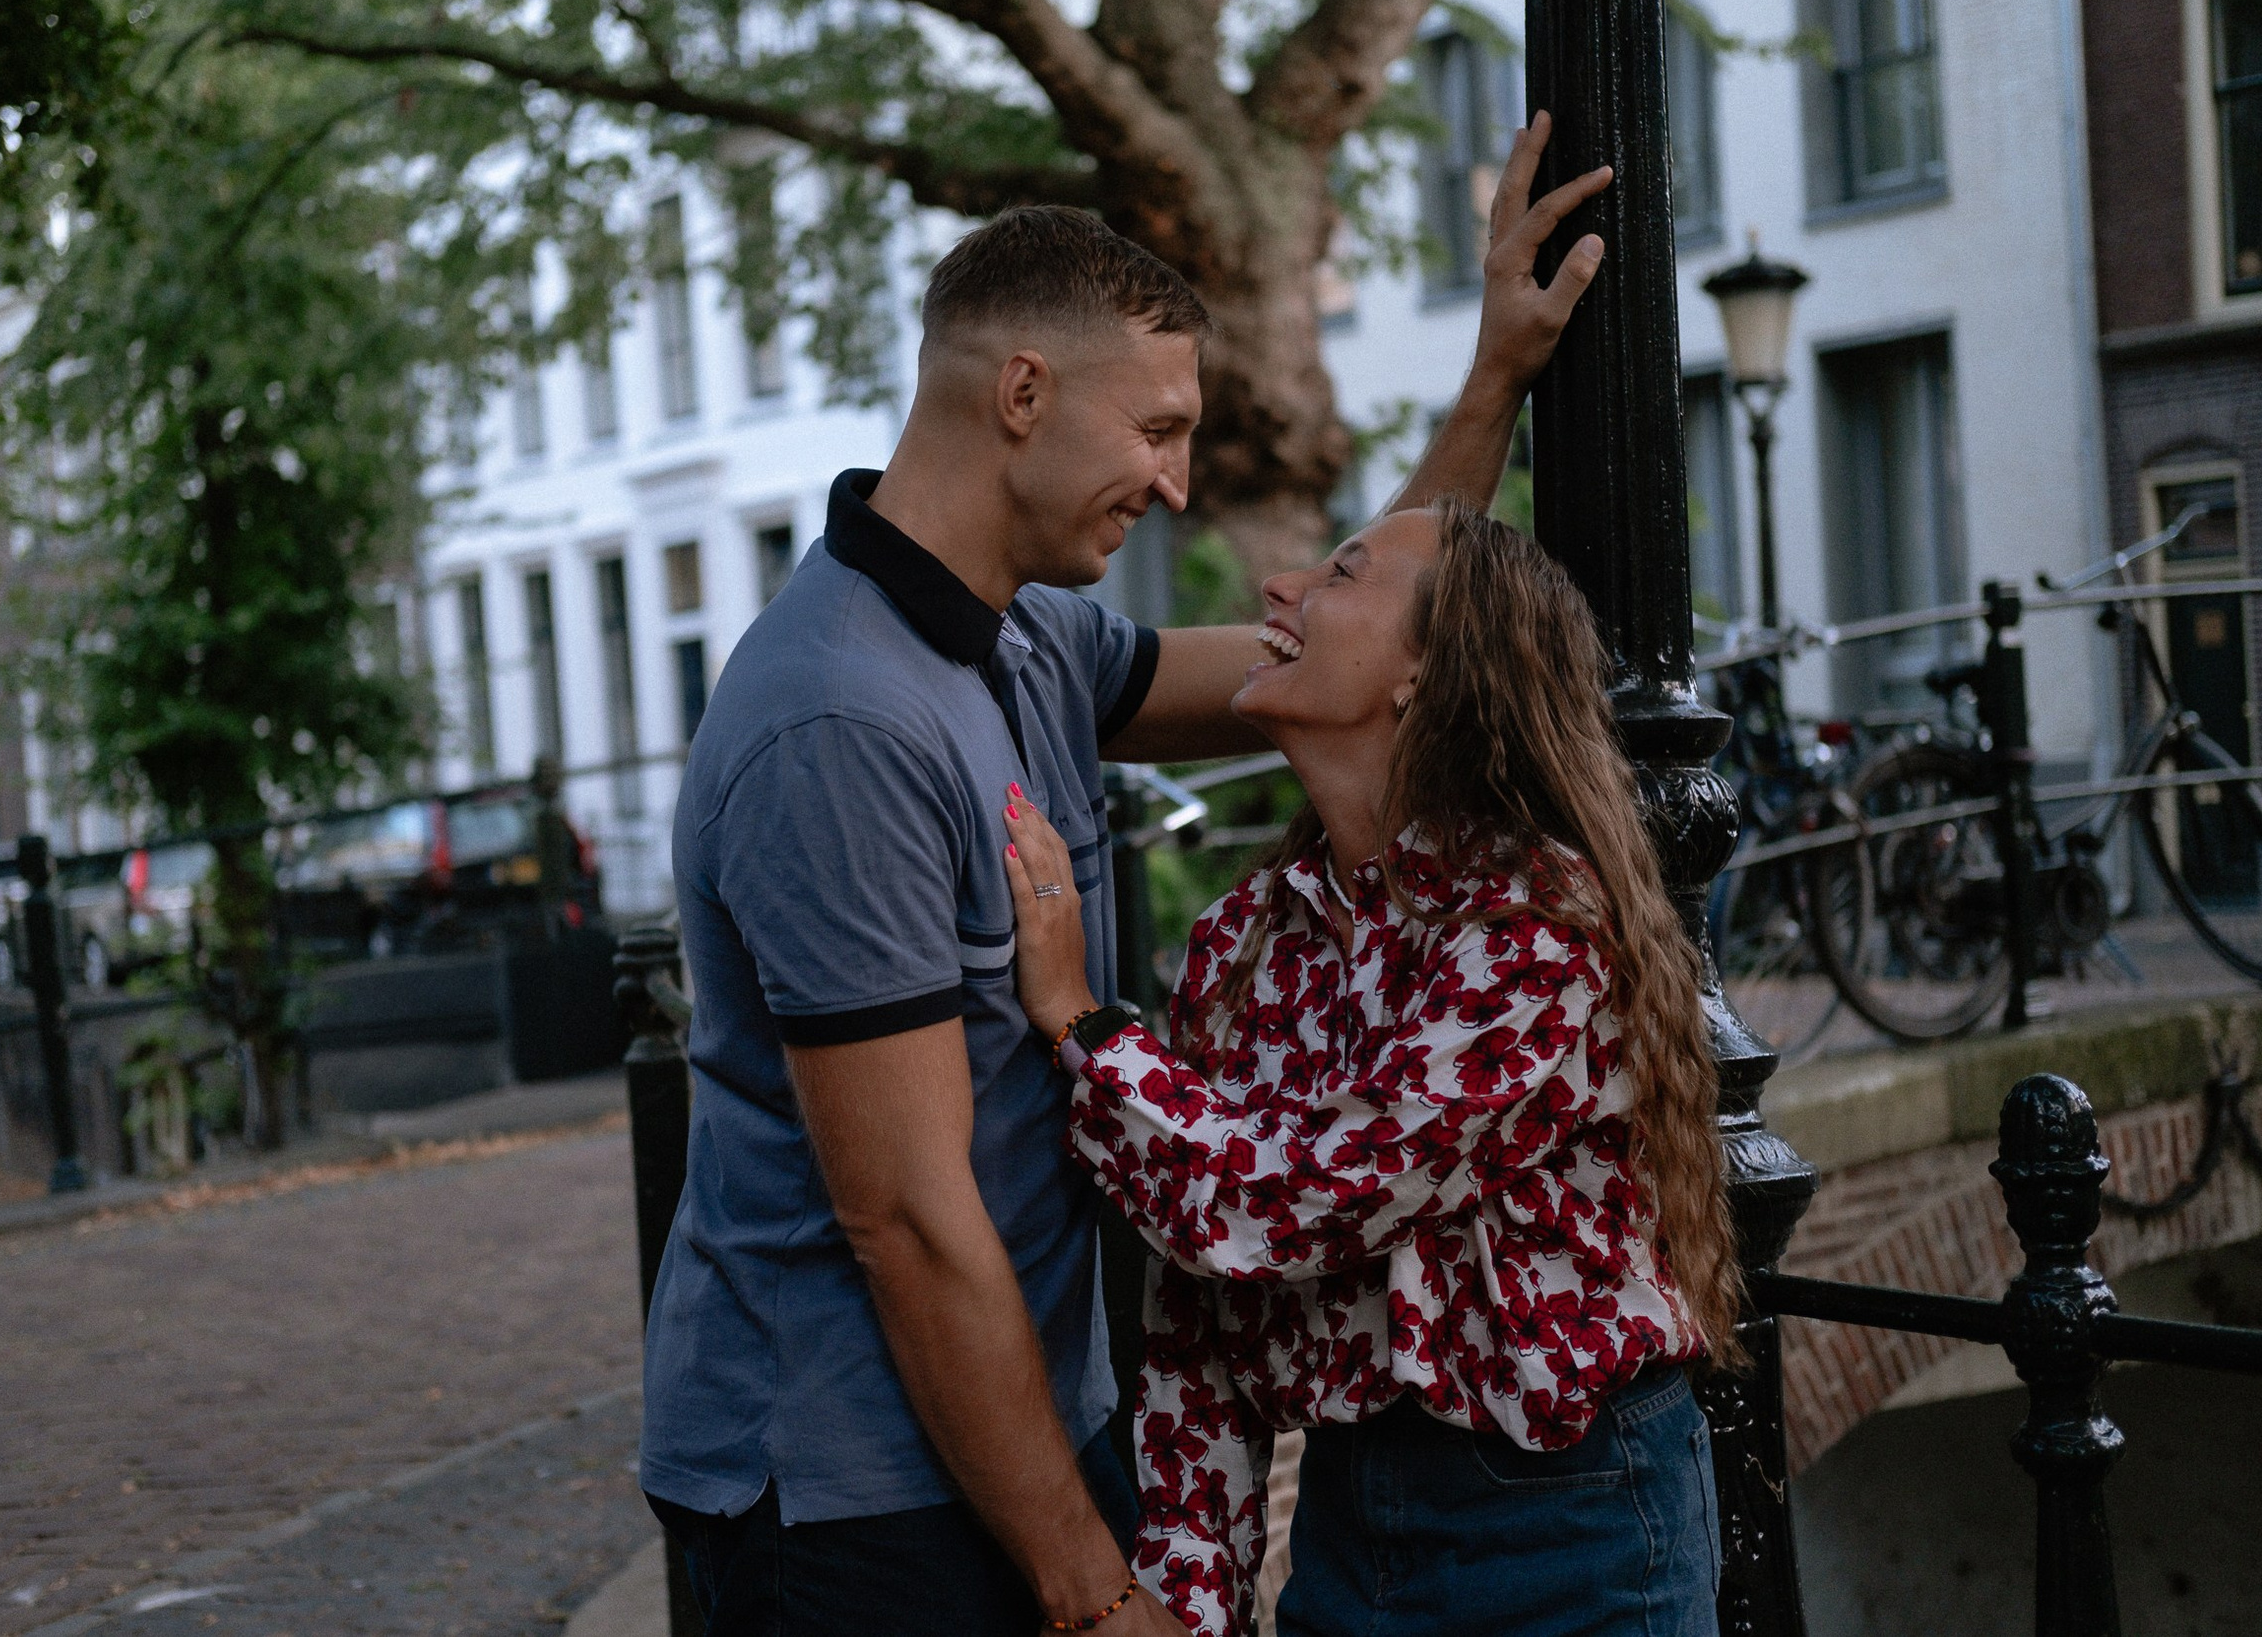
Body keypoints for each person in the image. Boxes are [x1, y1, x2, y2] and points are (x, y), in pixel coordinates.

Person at [640, 114, 1615, 1636]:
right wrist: (1093, 1594)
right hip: (854, 1494)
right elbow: (902, 1216)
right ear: (1022, 393)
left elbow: (1368, 646)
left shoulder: (1030, 635)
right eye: (1155, 430)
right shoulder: (842, 721)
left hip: (1025, 1420)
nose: (1174, 485)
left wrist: (1493, 376)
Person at [1000, 503, 1738, 1637]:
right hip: (1354, 1519)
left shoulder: (1534, 926)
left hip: (1574, 1527)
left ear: (1423, 670)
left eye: (1340, 572)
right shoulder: (1245, 940)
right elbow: (1200, 1317)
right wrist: (1193, 1604)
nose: (1280, 588)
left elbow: (1305, 1197)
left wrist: (1083, 1026)